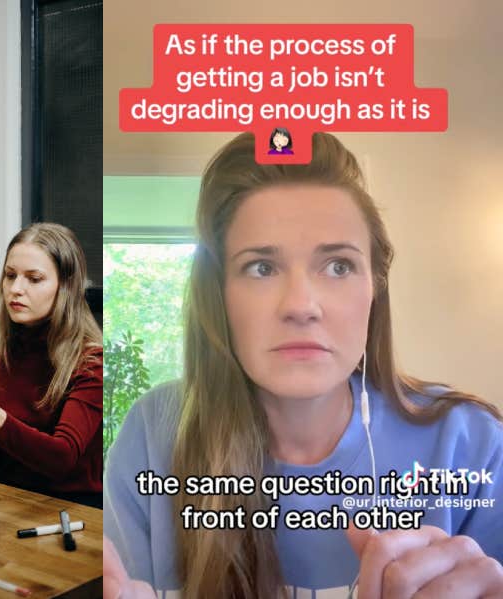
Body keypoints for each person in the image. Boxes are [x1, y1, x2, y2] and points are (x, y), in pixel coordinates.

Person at [102, 132, 503, 598]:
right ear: (219, 296)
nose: (301, 306)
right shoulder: (154, 435)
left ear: (375, 286)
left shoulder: (471, 446)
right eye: (261, 268)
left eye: (337, 266)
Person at [0, 223, 103, 507]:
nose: (15, 289)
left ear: (65, 287)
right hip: (7, 498)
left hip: (70, 509)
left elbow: (62, 458)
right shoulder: (6, 354)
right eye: (10, 276)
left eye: (34, 279)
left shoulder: (92, 363)